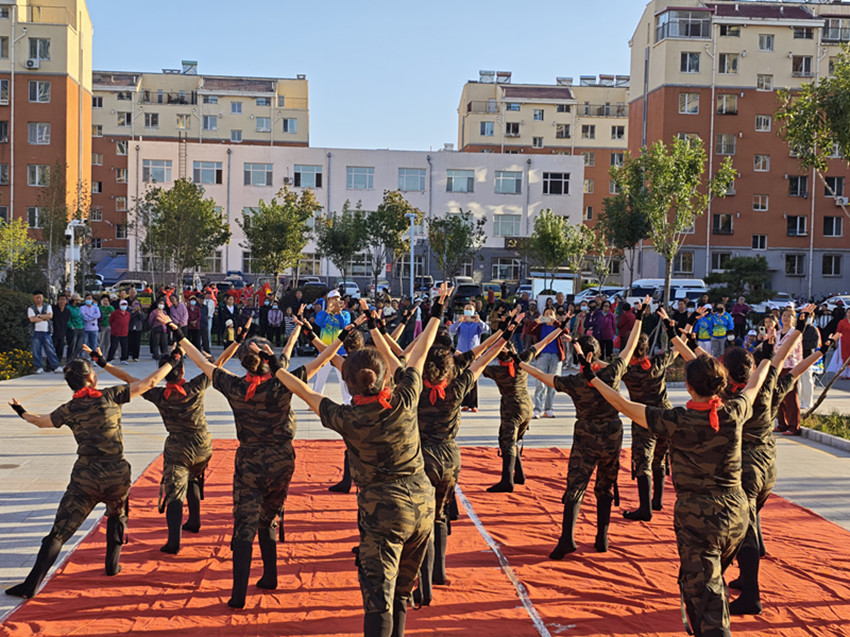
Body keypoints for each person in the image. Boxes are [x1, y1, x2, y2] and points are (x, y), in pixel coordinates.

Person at [273, 283, 451, 637]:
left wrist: (273, 370)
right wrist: (436, 312)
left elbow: (305, 390)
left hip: (383, 512)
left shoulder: (347, 418)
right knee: (401, 593)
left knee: (378, 601)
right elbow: (418, 353)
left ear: (350, 384)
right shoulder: (404, 399)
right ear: (385, 374)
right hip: (422, 504)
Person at [161, 314, 344, 609]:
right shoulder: (283, 384)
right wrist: (343, 336)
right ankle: (270, 575)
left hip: (249, 461)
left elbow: (203, 363)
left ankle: (238, 594)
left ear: (245, 363)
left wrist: (177, 332)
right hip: (281, 460)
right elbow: (322, 360)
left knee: (243, 524)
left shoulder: (233, 387)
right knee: (269, 517)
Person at [587, 350, 769, 637]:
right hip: (737, 515)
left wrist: (594, 380)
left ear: (689, 386)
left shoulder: (676, 420)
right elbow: (754, 384)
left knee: (707, 598)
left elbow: (623, 404)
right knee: (707, 585)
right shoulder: (734, 412)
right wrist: (767, 359)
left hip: (699, 520)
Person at [5, 353, 177, 598]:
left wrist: (21, 411)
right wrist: (173, 361)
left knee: (59, 532)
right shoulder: (111, 395)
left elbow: (40, 422)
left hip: (85, 478)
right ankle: (112, 565)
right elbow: (149, 383)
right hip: (117, 474)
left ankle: (31, 584)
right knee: (118, 515)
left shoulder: (69, 409)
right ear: (91, 377)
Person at [521, 298, 648, 558]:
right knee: (605, 485)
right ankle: (602, 538)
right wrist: (641, 316)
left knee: (576, 486)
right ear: (596, 356)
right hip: (612, 436)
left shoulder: (576, 381)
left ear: (581, 358)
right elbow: (630, 346)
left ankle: (567, 538)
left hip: (585, 438)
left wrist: (519, 363)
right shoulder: (611, 373)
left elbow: (544, 377)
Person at [412, 318, 518, 606]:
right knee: (441, 514)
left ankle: (422, 585)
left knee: (421, 521)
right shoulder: (456, 389)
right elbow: (481, 359)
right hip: (449, 457)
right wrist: (506, 333)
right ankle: (439, 572)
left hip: (421, 456)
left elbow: (405, 355)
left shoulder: (414, 389)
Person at [484, 318, 569, 493]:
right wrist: (560, 328)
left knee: (507, 443)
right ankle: (519, 474)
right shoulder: (521, 361)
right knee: (515, 440)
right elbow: (544, 342)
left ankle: (507, 480)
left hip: (511, 409)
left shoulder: (498, 371)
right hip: (527, 407)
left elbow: (475, 362)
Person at [619, 316, 682, 521]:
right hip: (666, 416)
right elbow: (677, 348)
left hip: (643, 417)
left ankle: (645, 507)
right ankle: (658, 500)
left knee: (643, 461)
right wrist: (686, 326)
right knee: (660, 458)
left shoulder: (626, 371)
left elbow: (605, 367)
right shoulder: (658, 363)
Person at [449, 302, 488, 412]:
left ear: (474, 310)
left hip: (474, 353)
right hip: (461, 353)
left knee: (473, 378)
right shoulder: (461, 323)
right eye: (466, 308)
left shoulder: (477, 324)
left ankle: (473, 404)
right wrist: (458, 322)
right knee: (461, 378)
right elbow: (451, 330)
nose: (468, 310)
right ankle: (464, 403)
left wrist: (479, 321)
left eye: (470, 308)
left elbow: (486, 329)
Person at [312, 290, 352, 397]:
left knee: (343, 378)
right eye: (333, 299)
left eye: (338, 299)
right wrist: (327, 311)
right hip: (324, 350)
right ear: (328, 300)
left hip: (340, 351)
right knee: (320, 377)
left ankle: (348, 401)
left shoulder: (345, 314)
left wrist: (339, 313)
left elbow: (345, 326)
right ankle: (315, 400)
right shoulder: (322, 313)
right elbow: (318, 323)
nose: (336, 301)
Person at [530, 308, 568, 419]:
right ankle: (537, 409)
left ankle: (549, 409)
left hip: (555, 356)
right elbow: (528, 331)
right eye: (546, 314)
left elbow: (566, 331)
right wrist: (536, 322)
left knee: (552, 383)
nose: (549, 316)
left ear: (555, 315)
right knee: (540, 383)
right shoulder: (540, 326)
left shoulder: (558, 326)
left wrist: (555, 322)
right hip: (542, 355)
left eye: (551, 314)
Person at [773, 306, 805, 436]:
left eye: (789, 316)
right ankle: (782, 423)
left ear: (794, 319)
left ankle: (793, 425)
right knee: (778, 396)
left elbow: (793, 350)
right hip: (778, 366)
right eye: (784, 315)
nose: (786, 318)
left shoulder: (795, 333)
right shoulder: (778, 333)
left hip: (791, 366)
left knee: (791, 396)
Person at [28, 291, 62, 374]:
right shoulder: (31, 308)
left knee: (50, 349)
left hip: (46, 331)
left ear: (43, 298)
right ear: (34, 298)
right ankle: (39, 367)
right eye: (37, 297)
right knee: (36, 350)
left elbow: (50, 316)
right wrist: (44, 317)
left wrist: (38, 316)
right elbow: (32, 319)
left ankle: (56, 366)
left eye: (40, 297)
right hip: (35, 332)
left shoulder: (48, 306)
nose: (39, 299)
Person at [107, 299, 130, 364]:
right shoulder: (115, 313)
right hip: (115, 332)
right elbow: (110, 321)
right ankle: (110, 359)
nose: (124, 306)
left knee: (124, 347)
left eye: (125, 305)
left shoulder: (128, 314)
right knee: (113, 346)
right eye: (122, 305)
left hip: (124, 332)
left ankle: (123, 359)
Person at [52, 294, 71, 364]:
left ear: (66, 301)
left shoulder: (67, 311)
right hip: (54, 332)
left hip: (62, 333)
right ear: (57, 301)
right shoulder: (53, 309)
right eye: (60, 299)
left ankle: (58, 363)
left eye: (63, 300)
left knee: (60, 349)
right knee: (52, 349)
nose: (62, 301)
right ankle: (50, 365)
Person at [66, 295, 85, 360]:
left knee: (79, 346)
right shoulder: (68, 308)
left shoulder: (78, 308)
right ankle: (69, 360)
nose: (79, 302)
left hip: (80, 328)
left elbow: (80, 317)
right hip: (73, 328)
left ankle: (74, 358)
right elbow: (67, 319)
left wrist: (82, 325)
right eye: (78, 300)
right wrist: (71, 326)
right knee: (72, 346)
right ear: (74, 301)